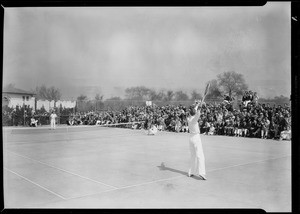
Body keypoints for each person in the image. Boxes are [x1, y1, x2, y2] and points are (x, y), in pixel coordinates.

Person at [187, 100, 206, 180]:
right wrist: (199, 107)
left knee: (193, 155)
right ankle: (202, 173)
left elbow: (194, 111)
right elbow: (198, 113)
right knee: (200, 155)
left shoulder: (188, 118)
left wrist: (197, 105)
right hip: (196, 137)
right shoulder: (194, 120)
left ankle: (191, 172)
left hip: (190, 138)